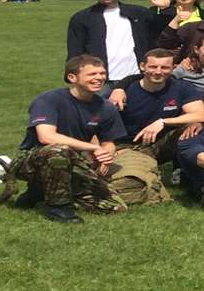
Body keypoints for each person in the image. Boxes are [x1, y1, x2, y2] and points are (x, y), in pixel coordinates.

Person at [18, 55, 125, 222]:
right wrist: (92, 148)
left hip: (74, 159)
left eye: (102, 73)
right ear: (72, 77)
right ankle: (57, 208)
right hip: (33, 160)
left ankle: (41, 192)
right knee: (59, 150)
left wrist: (105, 157)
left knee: (115, 206)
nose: (99, 78)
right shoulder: (49, 100)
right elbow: (46, 136)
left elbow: (108, 142)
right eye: (92, 74)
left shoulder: (106, 107)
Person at [109, 47, 204, 161]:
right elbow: (99, 123)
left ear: (173, 68)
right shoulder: (123, 92)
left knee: (196, 127)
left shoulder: (182, 87)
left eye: (165, 67)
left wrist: (162, 122)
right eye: (153, 67)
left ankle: (189, 171)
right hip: (127, 145)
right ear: (142, 66)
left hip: (161, 142)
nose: (158, 72)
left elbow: (200, 115)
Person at [66, 0, 158, 86]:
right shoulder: (82, 18)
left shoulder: (139, 13)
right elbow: (75, 51)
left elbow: (163, 35)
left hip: (135, 78)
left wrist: (164, 9)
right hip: (99, 80)